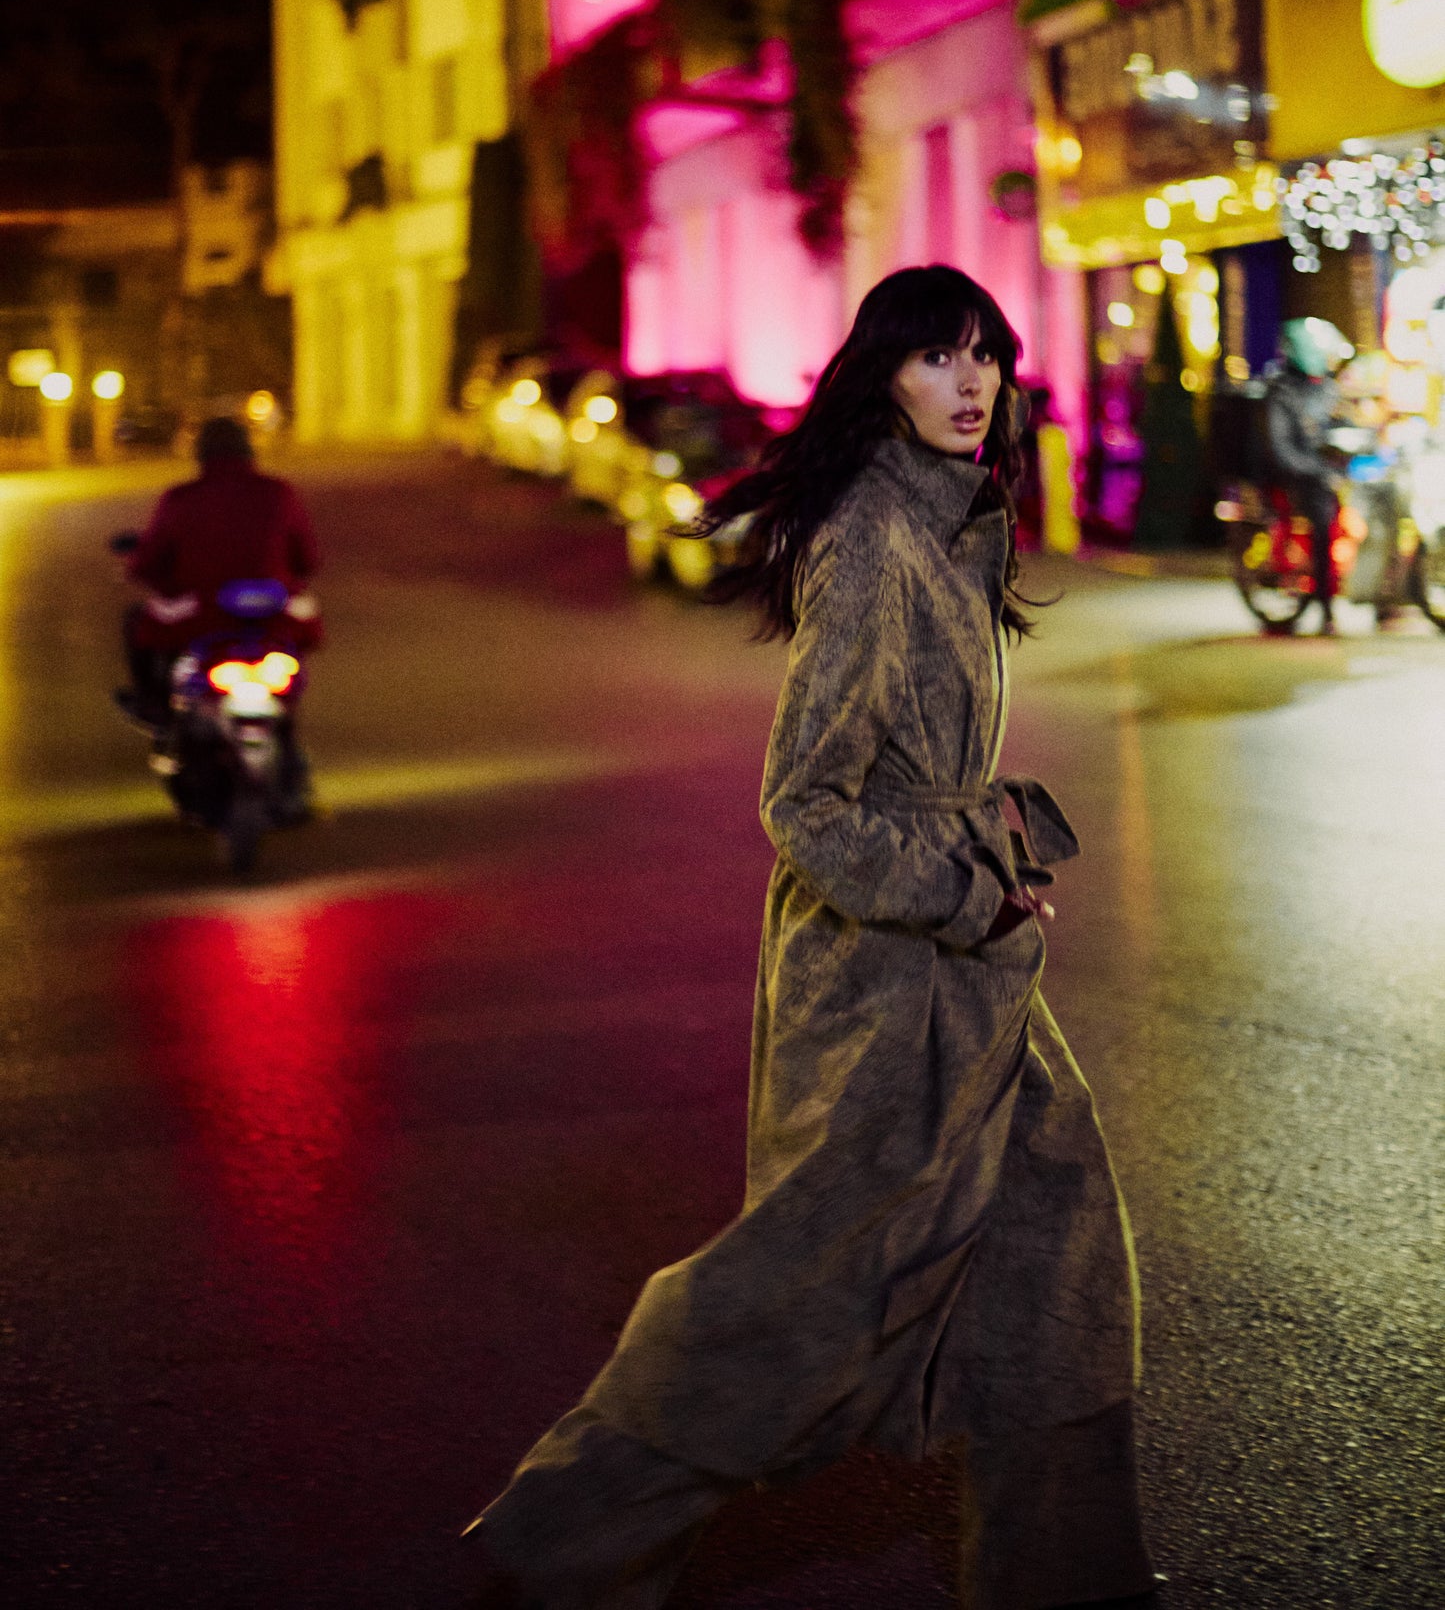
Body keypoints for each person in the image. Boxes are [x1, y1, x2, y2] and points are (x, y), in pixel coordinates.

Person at [469, 266, 1158, 1610]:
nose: (970, 382)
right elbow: (806, 804)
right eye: (936, 357)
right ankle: (559, 1540)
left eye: (985, 355)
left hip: (966, 977)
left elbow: (923, 768)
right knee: (801, 1294)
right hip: (881, 994)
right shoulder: (872, 536)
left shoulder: (954, 521)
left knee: (1056, 1248)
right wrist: (964, 891)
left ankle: (1063, 1575)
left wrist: (988, 848)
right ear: (879, 377)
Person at [119, 415, 321, 724]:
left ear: (201, 455)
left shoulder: (181, 499)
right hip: (271, 613)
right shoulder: (279, 493)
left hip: (203, 614)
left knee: (137, 622)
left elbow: (148, 562)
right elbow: (307, 560)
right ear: (249, 452)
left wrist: (148, 569)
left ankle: (155, 706)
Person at [1264, 319, 1350, 635]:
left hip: (1329, 474)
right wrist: (1319, 471)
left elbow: (1341, 425)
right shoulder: (1283, 392)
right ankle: (1326, 607)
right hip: (1299, 480)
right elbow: (1283, 450)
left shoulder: (1327, 388)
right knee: (1322, 526)